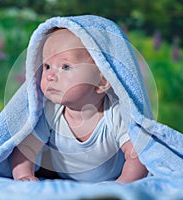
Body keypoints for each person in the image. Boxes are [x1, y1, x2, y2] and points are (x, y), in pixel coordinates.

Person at [11, 28, 148, 183]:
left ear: (101, 81)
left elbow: (137, 157)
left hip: (113, 177)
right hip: (61, 174)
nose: (50, 75)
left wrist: (122, 184)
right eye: (47, 66)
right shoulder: (50, 111)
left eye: (65, 67)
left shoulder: (115, 114)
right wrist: (24, 175)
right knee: (44, 164)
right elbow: (25, 150)